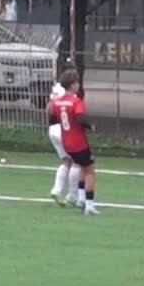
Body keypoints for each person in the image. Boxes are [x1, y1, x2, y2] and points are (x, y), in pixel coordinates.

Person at [49, 70, 98, 215]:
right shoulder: (76, 101)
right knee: (90, 170)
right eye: (77, 83)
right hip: (78, 142)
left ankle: (81, 199)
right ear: (72, 85)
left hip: (66, 142)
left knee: (80, 166)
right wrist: (90, 126)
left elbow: (53, 119)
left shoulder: (58, 102)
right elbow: (80, 118)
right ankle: (89, 205)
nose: (78, 85)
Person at [47, 69, 81, 207]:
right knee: (76, 162)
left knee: (66, 161)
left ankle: (57, 189)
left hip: (52, 129)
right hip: (65, 129)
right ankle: (73, 195)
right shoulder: (68, 94)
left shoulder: (56, 89)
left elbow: (49, 108)